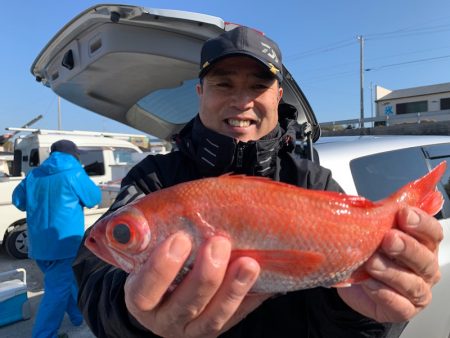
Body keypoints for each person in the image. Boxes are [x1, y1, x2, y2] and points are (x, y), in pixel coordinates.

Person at [73, 27, 443, 337]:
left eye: (258, 85)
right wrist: (131, 313)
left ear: (278, 95)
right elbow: (94, 274)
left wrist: (366, 312)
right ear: (200, 92)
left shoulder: (312, 179)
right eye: (223, 83)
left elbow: (343, 311)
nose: (242, 101)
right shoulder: (154, 178)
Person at [12, 139, 101, 338]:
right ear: (73, 154)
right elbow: (94, 198)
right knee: (57, 290)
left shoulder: (33, 174)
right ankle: (43, 334)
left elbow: (18, 201)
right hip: (65, 244)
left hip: (38, 246)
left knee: (62, 284)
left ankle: (79, 316)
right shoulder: (75, 172)